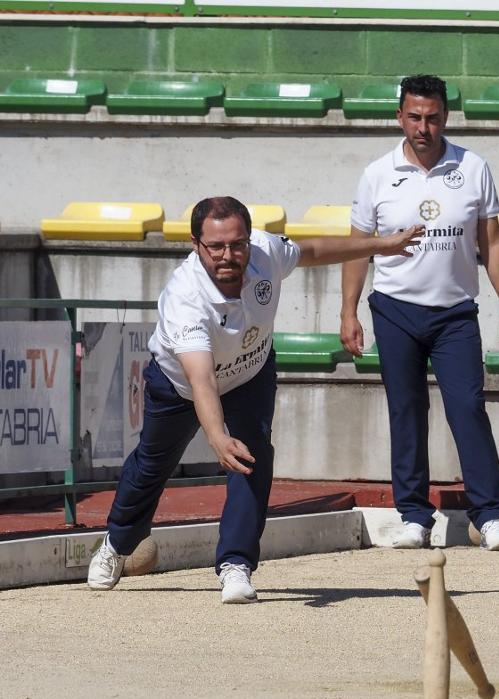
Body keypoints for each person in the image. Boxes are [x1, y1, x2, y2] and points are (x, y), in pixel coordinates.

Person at [87, 196, 422, 602]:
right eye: (216, 247)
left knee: (252, 457)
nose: (229, 255)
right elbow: (202, 379)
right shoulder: (185, 297)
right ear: (196, 244)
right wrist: (216, 436)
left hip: (250, 371)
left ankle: (235, 565)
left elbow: (312, 251)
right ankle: (117, 544)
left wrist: (379, 245)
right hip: (181, 385)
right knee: (150, 467)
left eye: (237, 244)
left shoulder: (265, 250)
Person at [340, 74, 499, 552]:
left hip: (455, 313)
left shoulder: (473, 167)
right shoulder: (377, 173)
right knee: (406, 411)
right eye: (415, 117)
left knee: (467, 409)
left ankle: (491, 516)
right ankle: (414, 516)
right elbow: (358, 247)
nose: (424, 127)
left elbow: (492, 241)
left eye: (433, 117)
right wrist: (348, 311)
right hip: (395, 310)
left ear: (446, 117)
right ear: (400, 116)